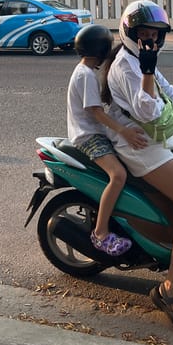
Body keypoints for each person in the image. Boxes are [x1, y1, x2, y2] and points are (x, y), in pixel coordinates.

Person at [103, 0, 173, 327]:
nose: (151, 40)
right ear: (131, 34)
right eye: (145, 35)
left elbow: (169, 93)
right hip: (139, 145)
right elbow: (148, 110)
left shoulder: (141, 60)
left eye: (156, 35)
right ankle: (171, 288)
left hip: (155, 137)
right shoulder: (128, 66)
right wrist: (148, 70)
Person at [67, 24, 148, 256]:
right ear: (101, 50)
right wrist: (125, 131)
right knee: (118, 174)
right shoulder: (86, 75)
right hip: (88, 137)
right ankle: (100, 232)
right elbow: (96, 112)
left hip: (93, 132)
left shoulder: (85, 71)